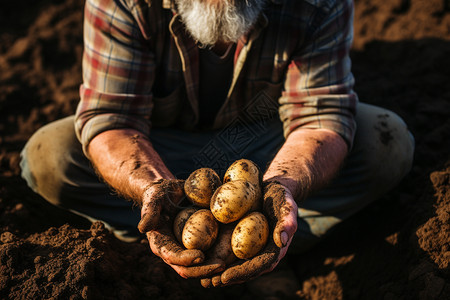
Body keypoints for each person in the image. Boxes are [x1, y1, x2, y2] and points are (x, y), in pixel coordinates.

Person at [20, 0, 414, 291]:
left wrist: (283, 187)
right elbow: (113, 119)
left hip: (269, 155)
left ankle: (278, 241)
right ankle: (153, 236)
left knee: (385, 144)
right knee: (52, 157)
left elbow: (320, 118)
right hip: (160, 153)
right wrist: (152, 189)